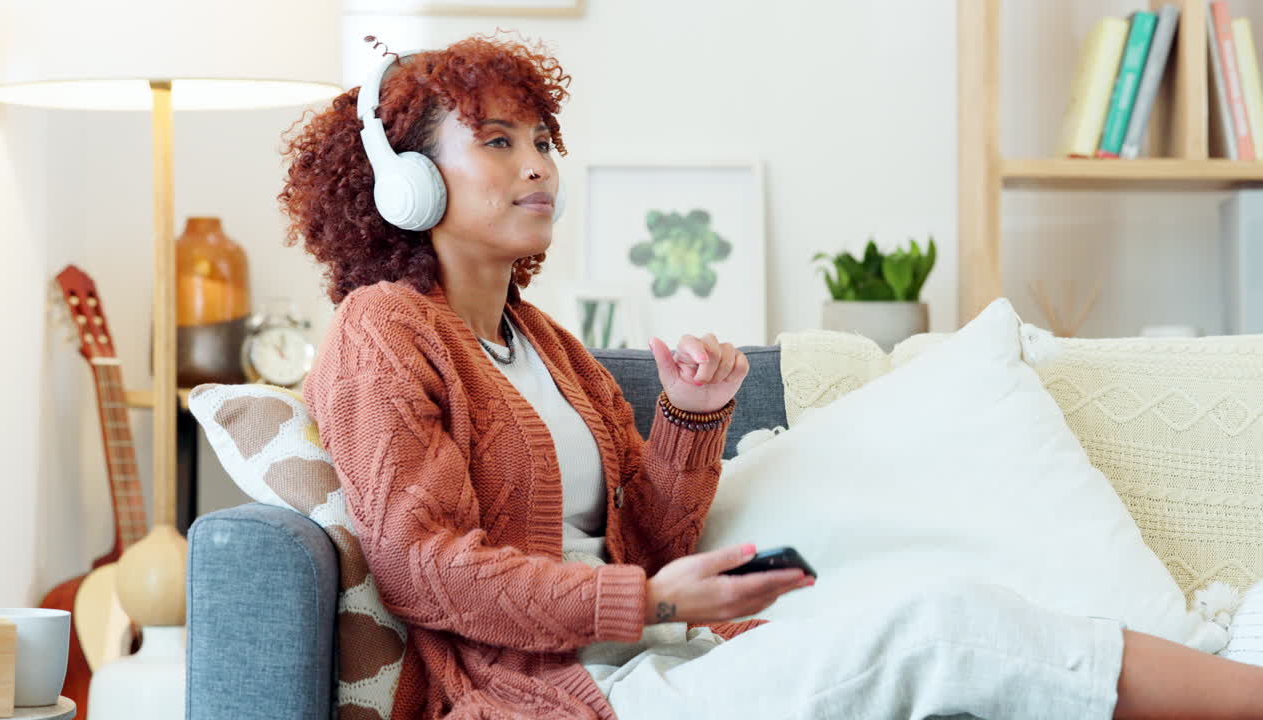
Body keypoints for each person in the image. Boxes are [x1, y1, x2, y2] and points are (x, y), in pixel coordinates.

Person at [282, 32, 1263, 720]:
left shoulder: (544, 342)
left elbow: (652, 538)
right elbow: (423, 567)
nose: (536, 165)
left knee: (928, 580)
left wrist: (690, 419)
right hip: (568, 700)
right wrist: (657, 604)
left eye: (541, 140)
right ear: (400, 182)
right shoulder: (382, 332)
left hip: (662, 656)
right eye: (497, 142)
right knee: (938, 624)